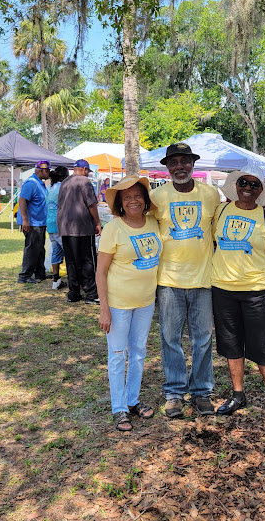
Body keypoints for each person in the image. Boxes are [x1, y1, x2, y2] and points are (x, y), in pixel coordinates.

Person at [211, 163, 265, 430]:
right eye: (243, 183)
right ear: (235, 186)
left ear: (261, 191)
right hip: (222, 289)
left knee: (262, 347)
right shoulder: (220, 211)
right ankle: (237, 395)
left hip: (257, 292)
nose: (247, 188)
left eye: (254, 185)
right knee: (231, 343)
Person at [150, 142, 220, 418]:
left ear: (193, 164)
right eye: (174, 162)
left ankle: (202, 392)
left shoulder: (211, 194)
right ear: (167, 167)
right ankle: (175, 392)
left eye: (184, 161)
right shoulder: (156, 197)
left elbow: (218, 234)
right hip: (168, 280)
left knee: (202, 339)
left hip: (204, 279)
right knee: (170, 338)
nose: (180, 167)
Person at [97, 176, 161, 432]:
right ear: (120, 203)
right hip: (119, 303)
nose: (133, 201)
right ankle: (119, 408)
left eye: (137, 196)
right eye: (127, 197)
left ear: (145, 200)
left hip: (146, 301)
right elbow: (101, 272)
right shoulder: (114, 228)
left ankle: (132, 400)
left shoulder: (154, 223)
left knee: (138, 353)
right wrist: (104, 309)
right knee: (117, 355)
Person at [57, 159, 101, 304]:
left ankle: (73, 293)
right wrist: (98, 222)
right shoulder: (84, 182)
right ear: (83, 169)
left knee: (71, 261)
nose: (88, 174)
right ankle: (91, 294)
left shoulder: (64, 182)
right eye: (88, 171)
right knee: (88, 261)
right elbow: (92, 205)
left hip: (65, 227)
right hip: (82, 227)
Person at [17, 160, 51, 284]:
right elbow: (22, 200)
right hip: (32, 223)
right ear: (41, 170)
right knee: (32, 249)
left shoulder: (40, 183)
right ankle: (24, 276)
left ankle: (40, 273)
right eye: (47, 170)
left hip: (40, 222)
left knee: (40, 249)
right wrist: (25, 220)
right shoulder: (31, 183)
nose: (49, 173)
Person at [46, 166, 69, 290]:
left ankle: (56, 280)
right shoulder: (62, 187)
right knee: (69, 252)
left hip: (50, 224)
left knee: (56, 251)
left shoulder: (50, 187)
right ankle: (74, 280)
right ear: (65, 176)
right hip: (60, 224)